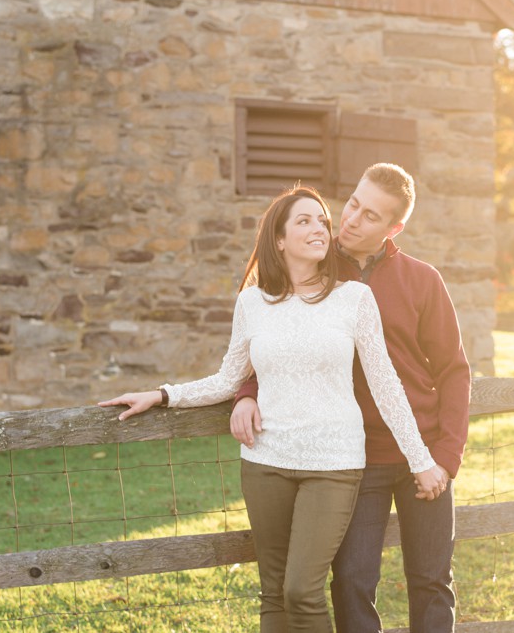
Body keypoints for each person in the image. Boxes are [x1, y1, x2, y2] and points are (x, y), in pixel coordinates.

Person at [97, 185, 446, 633]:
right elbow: (228, 378)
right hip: (265, 463)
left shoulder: (354, 299)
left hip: (333, 465)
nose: (321, 227)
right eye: (305, 221)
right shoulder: (252, 303)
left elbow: (387, 387)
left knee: (302, 590)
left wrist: (422, 461)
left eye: (322, 219)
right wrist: (163, 395)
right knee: (274, 593)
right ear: (279, 239)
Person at [231, 164, 471, 632]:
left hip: (422, 453)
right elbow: (272, 335)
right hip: (357, 460)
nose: (351, 219)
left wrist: (444, 457)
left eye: (371, 215)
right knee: (352, 582)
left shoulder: (423, 280)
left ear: (394, 228)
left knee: (432, 581)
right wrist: (246, 391)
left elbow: (453, 372)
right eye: (353, 203)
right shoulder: (312, 265)